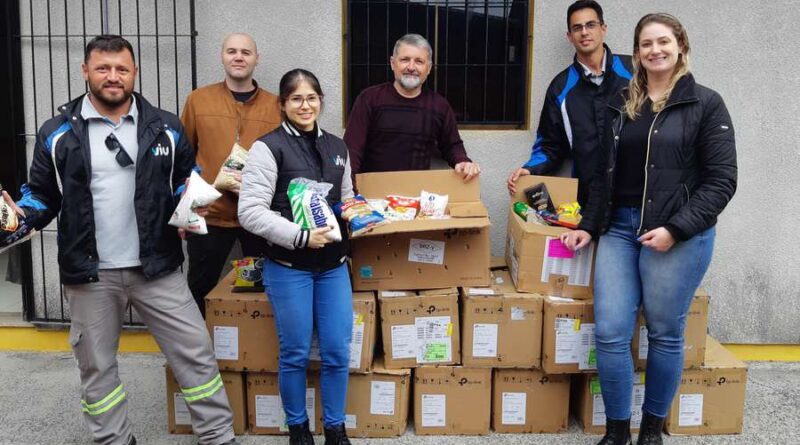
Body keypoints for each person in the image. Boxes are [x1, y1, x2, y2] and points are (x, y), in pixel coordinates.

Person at [0, 36, 240, 445]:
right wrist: (20, 217)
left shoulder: (165, 126)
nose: (113, 77)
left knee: (196, 356)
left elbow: (185, 178)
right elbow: (41, 194)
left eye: (121, 69)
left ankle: (217, 436)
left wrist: (191, 202)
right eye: (103, 68)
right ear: (85, 71)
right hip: (89, 273)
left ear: (135, 72)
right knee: (97, 367)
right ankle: (113, 439)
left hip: (157, 266)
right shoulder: (55, 133)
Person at [560, 13, 737, 445]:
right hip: (620, 229)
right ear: (636, 52)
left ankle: (651, 431)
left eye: (663, 42)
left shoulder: (705, 104)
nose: (654, 50)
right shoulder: (621, 102)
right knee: (610, 331)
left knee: (664, 332)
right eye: (645, 44)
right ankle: (618, 431)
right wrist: (589, 225)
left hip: (676, 236)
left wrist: (676, 229)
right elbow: (603, 175)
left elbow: (722, 180)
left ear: (680, 46)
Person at [238, 69, 353, 445]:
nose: (306, 105)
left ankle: (335, 428)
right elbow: (251, 212)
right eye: (297, 99)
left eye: (312, 98)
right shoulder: (267, 148)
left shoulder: (338, 147)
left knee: (337, 350)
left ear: (321, 100)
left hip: (334, 267)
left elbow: (348, 198)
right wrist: (301, 237)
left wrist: (360, 213)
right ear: (283, 104)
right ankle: (298, 428)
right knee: (295, 352)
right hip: (289, 268)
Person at [180, 32, 282, 316]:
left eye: (246, 52)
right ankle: (197, 353)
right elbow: (183, 156)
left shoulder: (275, 106)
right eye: (232, 51)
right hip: (209, 214)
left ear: (257, 59)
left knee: (257, 288)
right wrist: (186, 207)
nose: (239, 57)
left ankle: (250, 350)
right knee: (201, 286)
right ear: (222, 56)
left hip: (259, 215)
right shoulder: (198, 100)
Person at [507, 0, 632, 205]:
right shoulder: (560, 87)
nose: (584, 32)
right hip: (590, 198)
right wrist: (529, 169)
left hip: (638, 198)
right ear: (569, 36)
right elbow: (549, 145)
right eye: (577, 28)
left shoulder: (635, 71)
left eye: (590, 25)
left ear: (603, 29)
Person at [344, 33, 481, 182]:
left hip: (417, 193)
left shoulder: (439, 106)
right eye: (405, 60)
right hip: (373, 193)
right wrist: (350, 193)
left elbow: (452, 145)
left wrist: (463, 162)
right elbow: (351, 151)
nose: (411, 67)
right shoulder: (369, 99)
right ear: (392, 63)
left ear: (428, 68)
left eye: (419, 61)